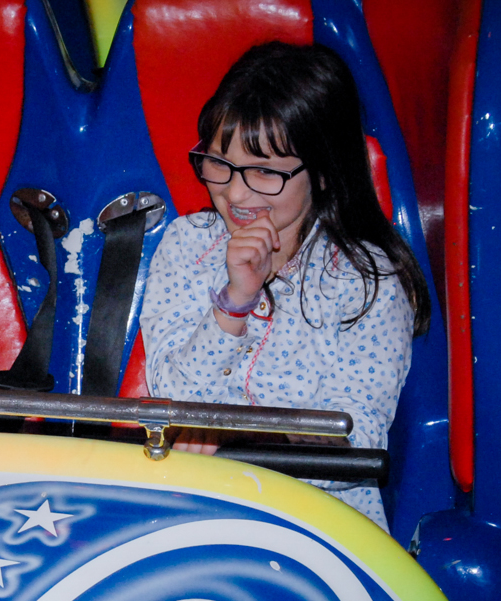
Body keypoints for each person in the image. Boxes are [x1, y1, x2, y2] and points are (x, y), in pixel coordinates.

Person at [138, 42, 429, 531]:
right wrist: (233, 304)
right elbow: (171, 397)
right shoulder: (187, 244)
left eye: (263, 173)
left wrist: (238, 440)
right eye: (218, 164)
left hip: (312, 524)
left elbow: (355, 442)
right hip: (190, 510)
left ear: (321, 171)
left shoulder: (366, 281)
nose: (233, 193)